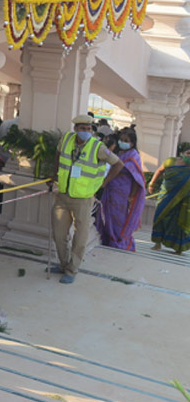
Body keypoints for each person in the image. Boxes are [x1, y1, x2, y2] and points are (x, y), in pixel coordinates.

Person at [51, 116, 122, 284]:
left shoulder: (98, 147)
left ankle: (72, 269)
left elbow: (118, 164)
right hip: (63, 195)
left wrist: (103, 184)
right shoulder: (67, 139)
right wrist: (54, 174)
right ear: (76, 129)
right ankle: (63, 264)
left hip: (83, 198)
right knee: (59, 234)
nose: (86, 132)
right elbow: (58, 154)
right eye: (83, 128)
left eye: (89, 129)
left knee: (80, 237)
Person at [94, 129, 146, 251]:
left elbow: (137, 180)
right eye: (121, 140)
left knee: (119, 218)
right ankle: (108, 238)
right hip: (111, 190)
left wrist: (131, 196)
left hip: (123, 193)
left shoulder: (133, 156)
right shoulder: (120, 153)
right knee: (108, 215)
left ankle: (118, 241)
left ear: (132, 143)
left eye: (126, 141)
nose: (122, 142)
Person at [150, 151, 190, 254]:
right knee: (159, 217)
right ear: (183, 153)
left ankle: (178, 248)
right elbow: (160, 170)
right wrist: (151, 184)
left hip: (182, 200)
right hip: (165, 196)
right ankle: (157, 243)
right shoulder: (170, 161)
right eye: (188, 153)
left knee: (179, 222)